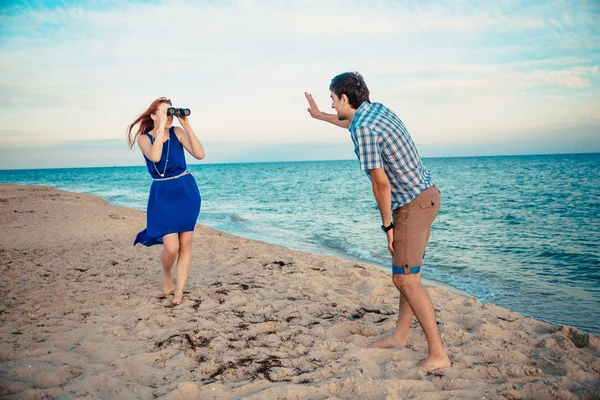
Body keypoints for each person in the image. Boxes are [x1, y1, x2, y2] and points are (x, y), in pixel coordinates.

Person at [304, 72, 451, 372]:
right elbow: (349, 123)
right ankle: (399, 336)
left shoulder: (365, 130)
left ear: (344, 98)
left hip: (412, 205)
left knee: (404, 279)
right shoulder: (376, 111)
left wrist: (388, 227)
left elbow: (381, 183)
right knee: (409, 274)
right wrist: (320, 116)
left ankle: (438, 353)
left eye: (332, 100)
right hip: (428, 195)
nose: (332, 106)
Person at [127, 97, 205, 306]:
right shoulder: (145, 139)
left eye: (171, 113)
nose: (170, 117)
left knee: (186, 244)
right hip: (162, 193)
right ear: (153, 115)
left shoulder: (177, 133)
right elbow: (155, 156)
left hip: (186, 191)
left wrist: (187, 126)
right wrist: (161, 128)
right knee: (171, 247)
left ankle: (179, 292)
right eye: (165, 113)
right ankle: (166, 272)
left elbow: (200, 154)